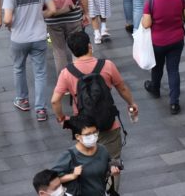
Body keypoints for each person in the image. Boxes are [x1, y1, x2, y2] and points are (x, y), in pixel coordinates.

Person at [51, 31, 138, 189]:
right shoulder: (107, 65)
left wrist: (61, 118)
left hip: (84, 127)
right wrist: (131, 103)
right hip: (108, 124)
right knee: (113, 163)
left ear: (72, 51)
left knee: (86, 162)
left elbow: (55, 100)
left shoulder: (66, 73)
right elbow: (122, 88)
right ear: (90, 46)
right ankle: (110, 192)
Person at [3, 0, 55, 121]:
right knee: (40, 72)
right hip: (39, 36)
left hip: (19, 38)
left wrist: (11, 24)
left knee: (19, 68)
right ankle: (41, 109)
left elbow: (7, 19)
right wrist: (40, 16)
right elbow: (52, 9)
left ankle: (23, 100)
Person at [141, 0, 185, 115]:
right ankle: (174, 103)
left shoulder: (151, 3)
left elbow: (146, 24)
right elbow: (184, 16)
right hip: (177, 39)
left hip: (158, 42)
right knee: (173, 70)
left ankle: (155, 88)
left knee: (157, 67)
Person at [50, 115, 121, 196]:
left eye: (95, 132)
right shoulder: (69, 156)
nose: (93, 136)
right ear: (77, 136)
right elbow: (51, 181)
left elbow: (107, 166)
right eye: (87, 134)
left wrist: (112, 170)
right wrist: (72, 176)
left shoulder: (102, 149)